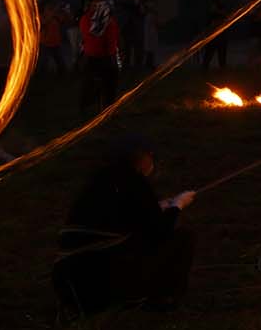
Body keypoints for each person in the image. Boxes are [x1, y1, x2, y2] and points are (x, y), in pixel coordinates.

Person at [52, 134, 197, 315]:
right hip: (102, 282)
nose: (152, 160)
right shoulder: (134, 181)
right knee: (183, 238)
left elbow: (124, 218)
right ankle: (163, 298)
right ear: (140, 157)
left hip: (67, 284)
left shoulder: (98, 181)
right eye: (150, 155)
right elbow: (159, 232)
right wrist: (177, 206)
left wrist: (158, 208)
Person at [78, 0, 120, 113]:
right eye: (95, 5)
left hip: (101, 56)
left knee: (103, 83)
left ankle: (103, 107)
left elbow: (113, 37)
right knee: (95, 83)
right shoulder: (90, 19)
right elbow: (96, 36)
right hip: (98, 56)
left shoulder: (105, 19)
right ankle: (94, 107)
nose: (98, 8)